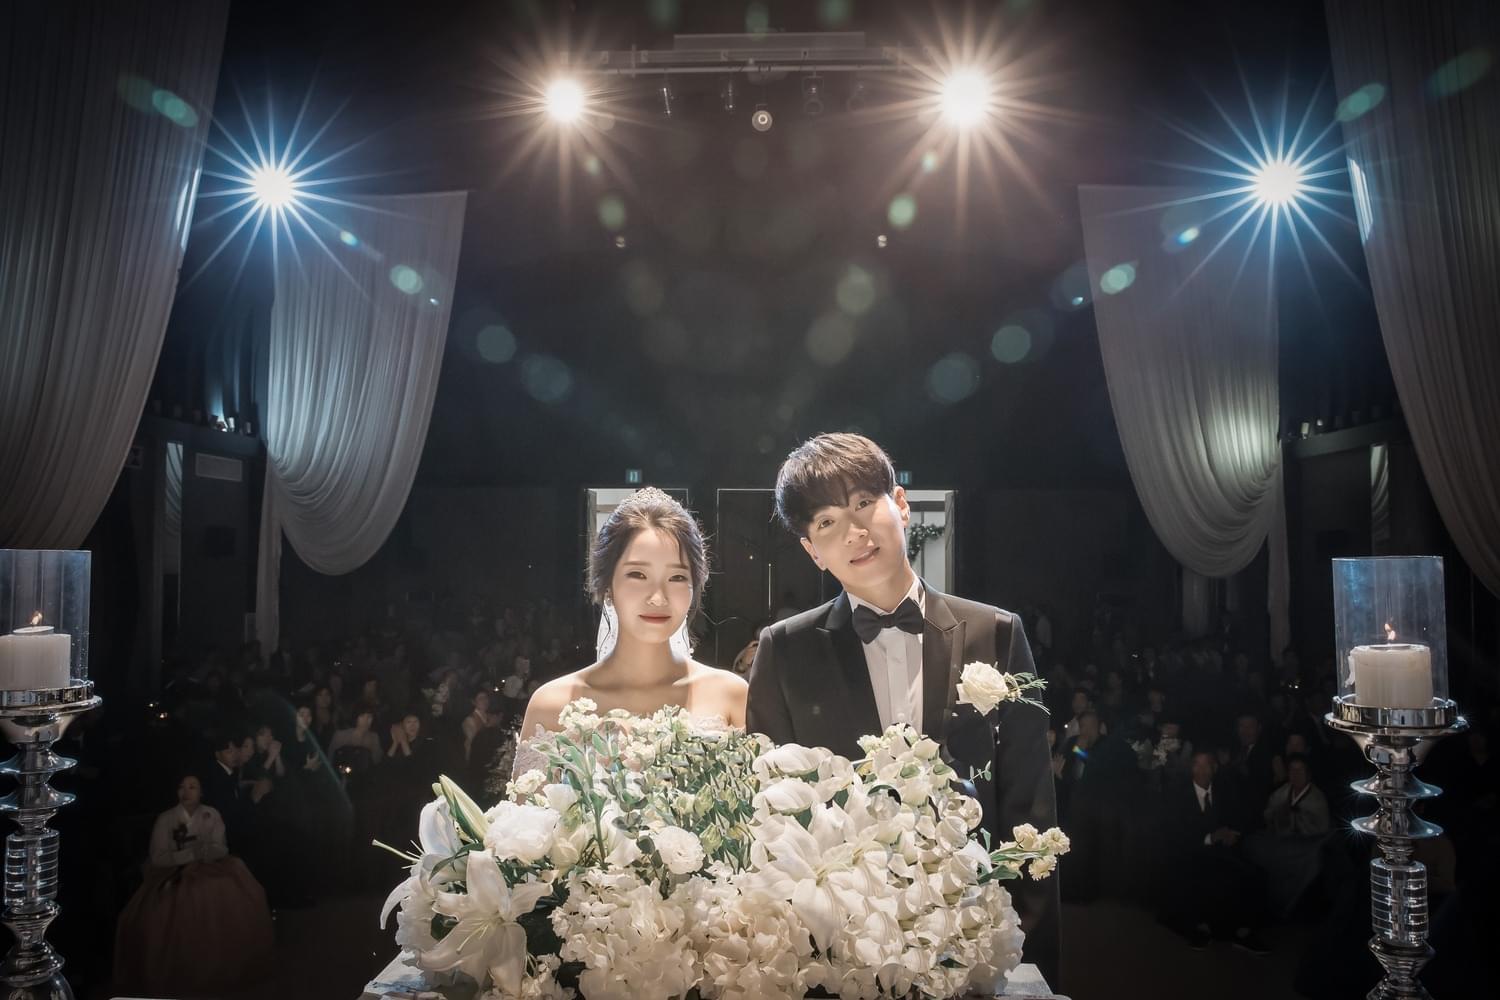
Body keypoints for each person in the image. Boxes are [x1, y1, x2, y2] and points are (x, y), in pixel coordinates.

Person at [745, 432, 1059, 985]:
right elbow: (773, 821)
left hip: (973, 935)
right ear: (812, 550)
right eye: (827, 522)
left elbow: (1029, 804)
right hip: (839, 953)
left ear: (902, 504)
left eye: (864, 503)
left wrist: (1020, 954)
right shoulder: (785, 650)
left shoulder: (995, 632)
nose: (854, 532)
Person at [519, 488, 747, 772]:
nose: (658, 598)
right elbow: (530, 802)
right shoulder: (552, 706)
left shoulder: (731, 696)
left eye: (677, 577)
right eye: (638, 574)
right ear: (607, 586)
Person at [112, 775, 274, 995]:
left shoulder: (211, 813)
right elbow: (158, 857)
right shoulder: (166, 818)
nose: (186, 792)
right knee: (187, 895)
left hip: (208, 865)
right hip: (172, 870)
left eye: (192, 787)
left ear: (201, 792)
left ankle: (225, 961)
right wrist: (188, 855)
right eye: (181, 787)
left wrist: (206, 852)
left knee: (228, 883)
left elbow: (221, 846)